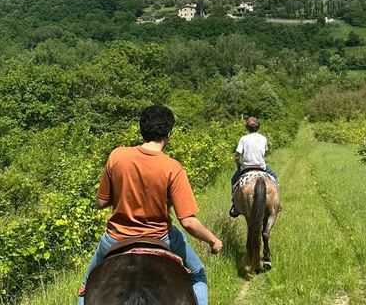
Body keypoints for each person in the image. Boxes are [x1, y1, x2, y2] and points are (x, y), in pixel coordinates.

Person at [78, 105, 223, 305]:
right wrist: (213, 240)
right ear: (168, 134)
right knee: (198, 275)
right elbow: (188, 221)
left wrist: (123, 193)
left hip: (116, 237)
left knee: (86, 288)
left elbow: (101, 202)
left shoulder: (117, 156)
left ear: (141, 130)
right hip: (161, 236)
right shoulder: (173, 168)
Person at [229, 116, 278, 218]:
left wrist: (239, 167)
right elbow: (264, 153)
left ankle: (235, 205)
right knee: (274, 177)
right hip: (261, 167)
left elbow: (237, 157)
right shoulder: (263, 138)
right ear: (258, 127)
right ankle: (276, 203)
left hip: (246, 167)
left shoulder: (243, 139)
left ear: (247, 128)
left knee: (234, 181)